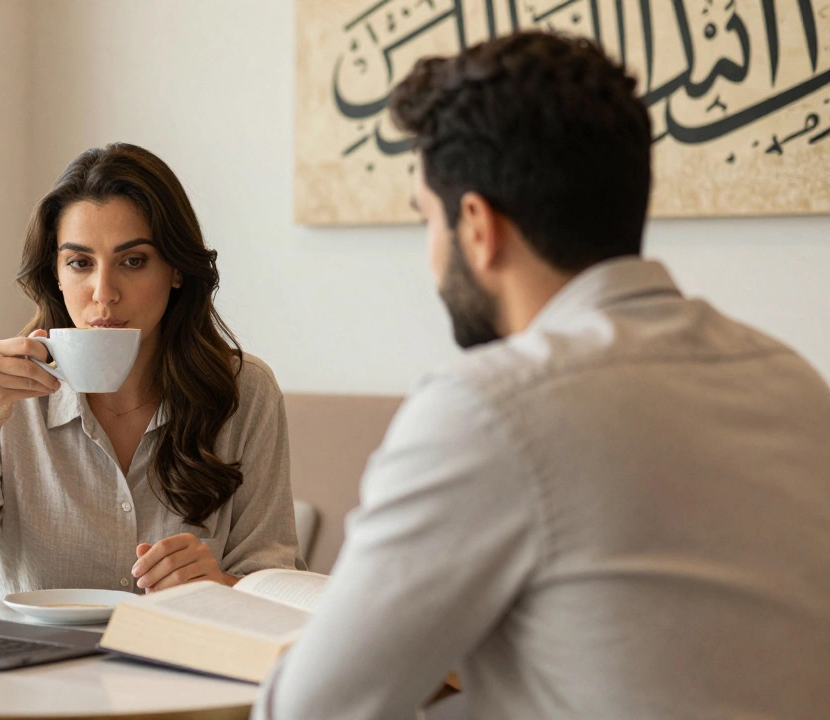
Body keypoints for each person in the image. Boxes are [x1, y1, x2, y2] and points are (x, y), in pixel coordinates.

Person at [256, 32, 830, 719]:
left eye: (426, 220)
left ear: (476, 226)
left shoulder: (490, 409)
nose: (430, 257)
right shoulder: (794, 384)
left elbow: (311, 711)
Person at [0, 142, 302, 599]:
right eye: (80, 263)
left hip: (183, 664)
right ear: (56, 274)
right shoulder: (2, 396)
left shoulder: (246, 393)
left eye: (133, 261)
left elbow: (278, 587)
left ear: (176, 270)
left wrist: (221, 584)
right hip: (40, 670)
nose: (104, 292)